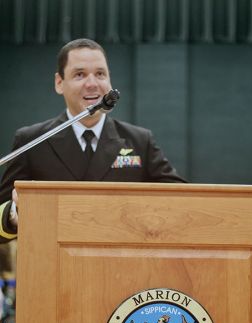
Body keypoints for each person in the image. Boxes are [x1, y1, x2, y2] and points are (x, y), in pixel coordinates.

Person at [0, 38, 186, 243]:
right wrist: (14, 215)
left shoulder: (140, 141)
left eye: (100, 74)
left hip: (122, 267)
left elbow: (182, 201)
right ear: (59, 83)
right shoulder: (31, 141)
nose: (92, 84)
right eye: (80, 75)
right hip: (52, 267)